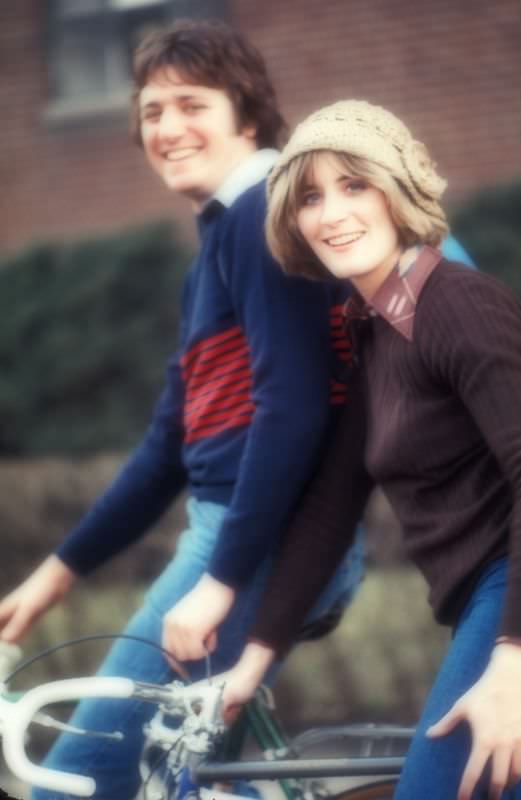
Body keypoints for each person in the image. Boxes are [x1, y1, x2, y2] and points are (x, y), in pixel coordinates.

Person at [0, 21, 474, 799]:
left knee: (77, 781)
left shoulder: (262, 215)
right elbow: (168, 443)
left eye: (191, 104)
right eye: (151, 111)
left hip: (254, 544)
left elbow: (292, 410)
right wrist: (59, 572)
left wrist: (220, 579)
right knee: (187, 779)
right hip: (235, 537)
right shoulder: (219, 245)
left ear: (246, 113)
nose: (167, 128)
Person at [197, 101, 521, 800]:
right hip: (492, 600)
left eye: (355, 184)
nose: (332, 214)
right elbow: (332, 506)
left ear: (400, 192)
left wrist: (516, 664)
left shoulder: (455, 305)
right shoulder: (377, 331)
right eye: (309, 197)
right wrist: (253, 662)